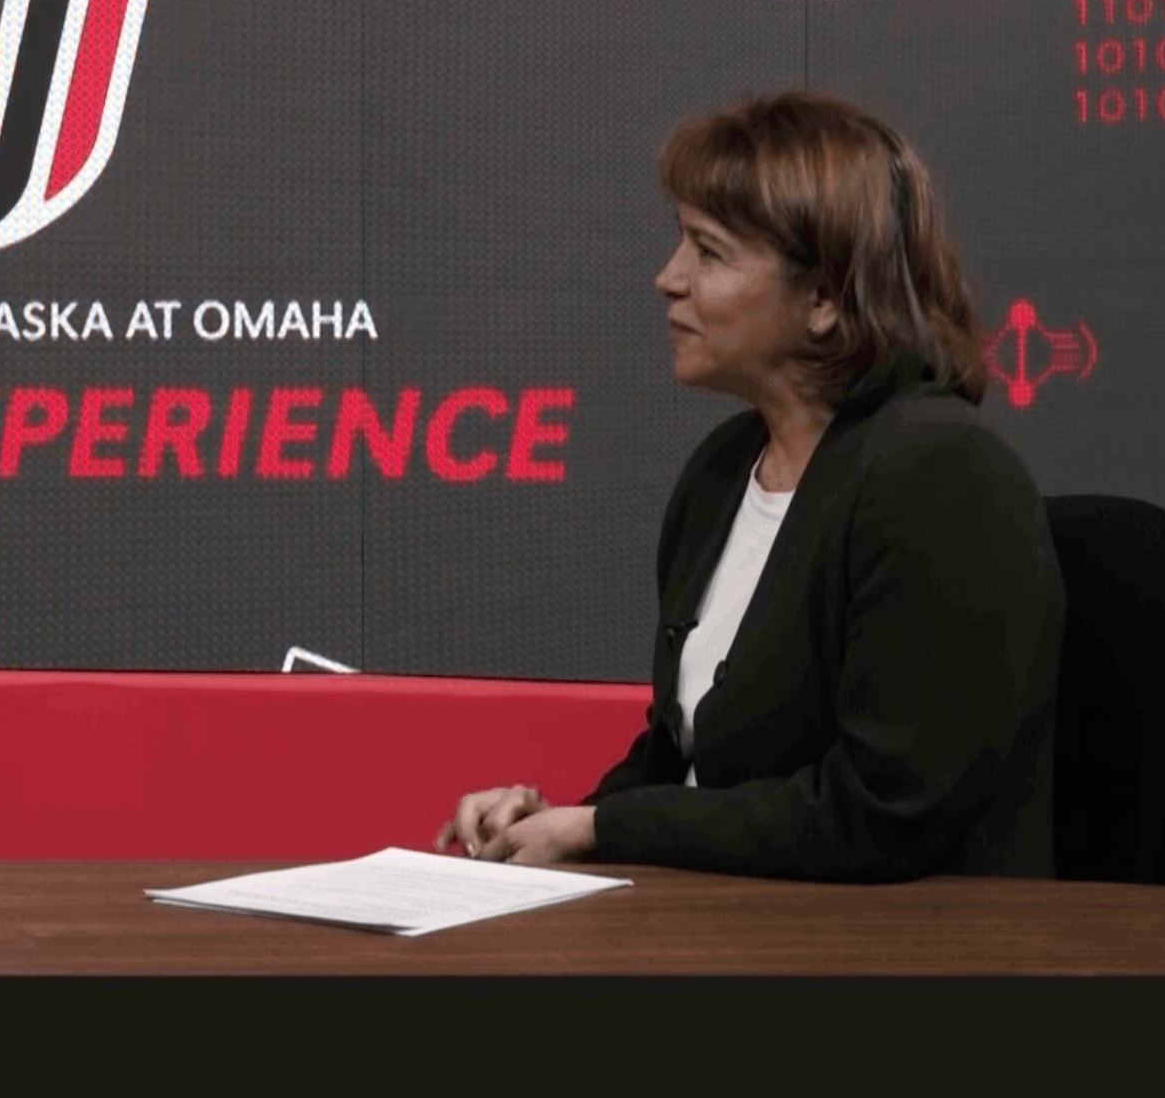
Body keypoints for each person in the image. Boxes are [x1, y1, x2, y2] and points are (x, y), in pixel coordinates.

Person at [433, 92, 1061, 882]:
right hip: (727, 926)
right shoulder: (724, 469)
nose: (668, 279)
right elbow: (684, 766)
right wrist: (551, 822)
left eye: (709, 251)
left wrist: (604, 828)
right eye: (679, 243)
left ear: (826, 301)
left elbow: (879, 819)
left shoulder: (942, 476)